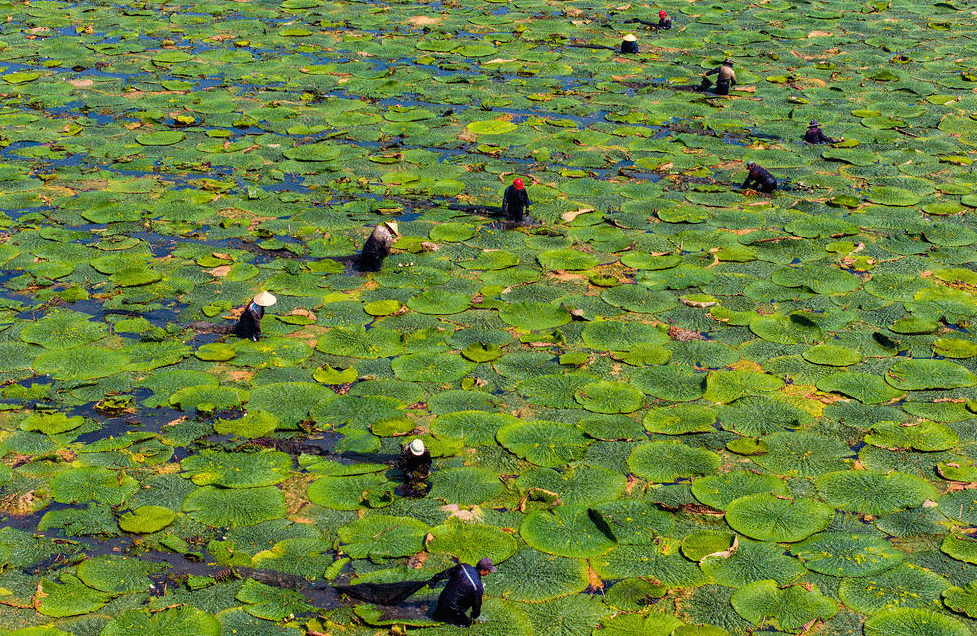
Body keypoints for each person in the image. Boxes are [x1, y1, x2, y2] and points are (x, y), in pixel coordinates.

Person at [430, 558, 495, 627]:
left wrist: (434, 579)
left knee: (436, 615)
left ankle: (438, 613)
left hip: (442, 600)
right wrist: (474, 617)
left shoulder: (463, 566)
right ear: (482, 571)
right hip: (454, 609)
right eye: (489, 571)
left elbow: (446, 573)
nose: (489, 573)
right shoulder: (478, 586)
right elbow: (476, 606)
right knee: (466, 624)